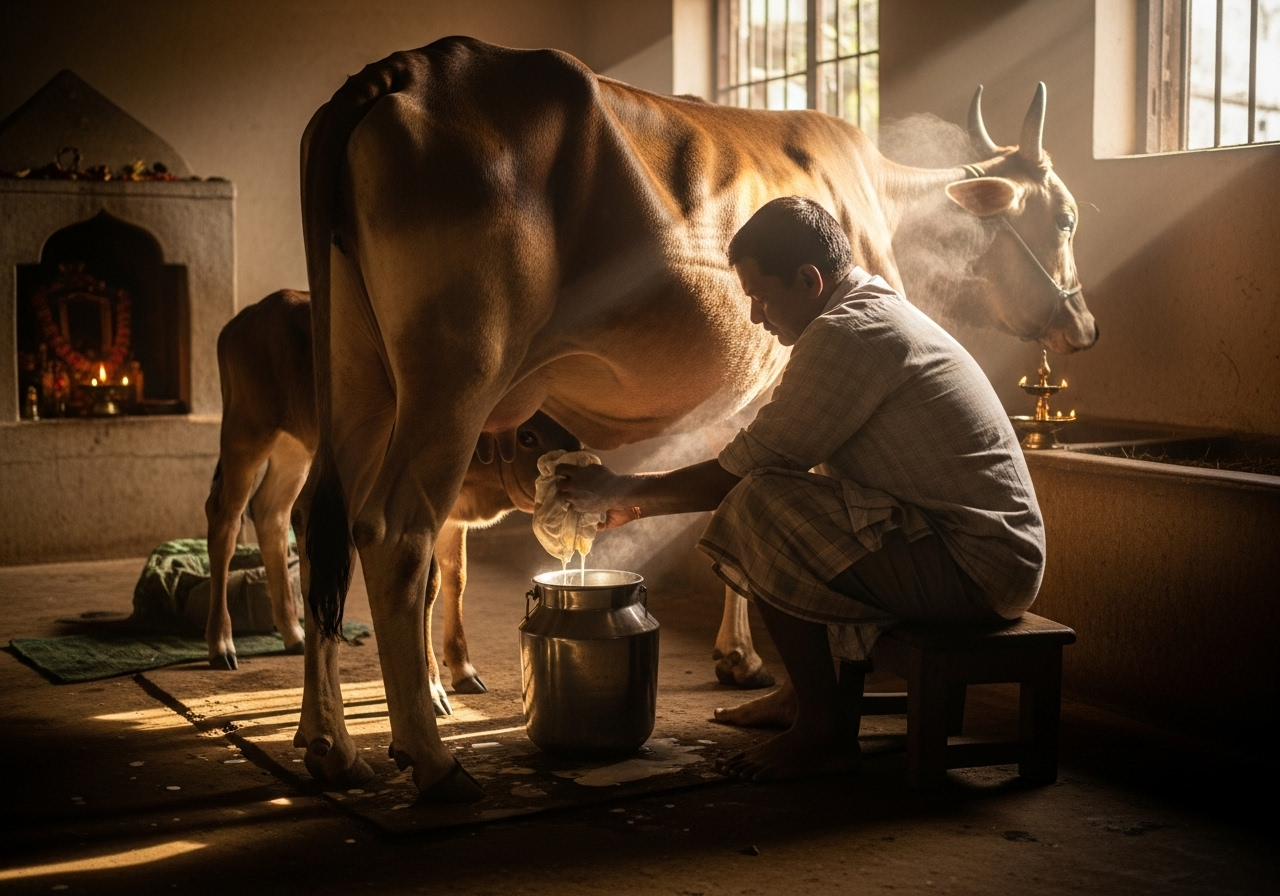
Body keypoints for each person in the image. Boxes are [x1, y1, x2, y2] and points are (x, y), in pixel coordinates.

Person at [556, 196, 1045, 782]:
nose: (758, 317)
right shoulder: (863, 312)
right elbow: (774, 451)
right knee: (777, 498)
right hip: (960, 546)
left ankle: (823, 729)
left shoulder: (850, 334)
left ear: (811, 280)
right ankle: (800, 697)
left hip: (979, 565)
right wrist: (630, 500)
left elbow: (747, 469)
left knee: (759, 504)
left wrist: (619, 489)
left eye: (762, 297)